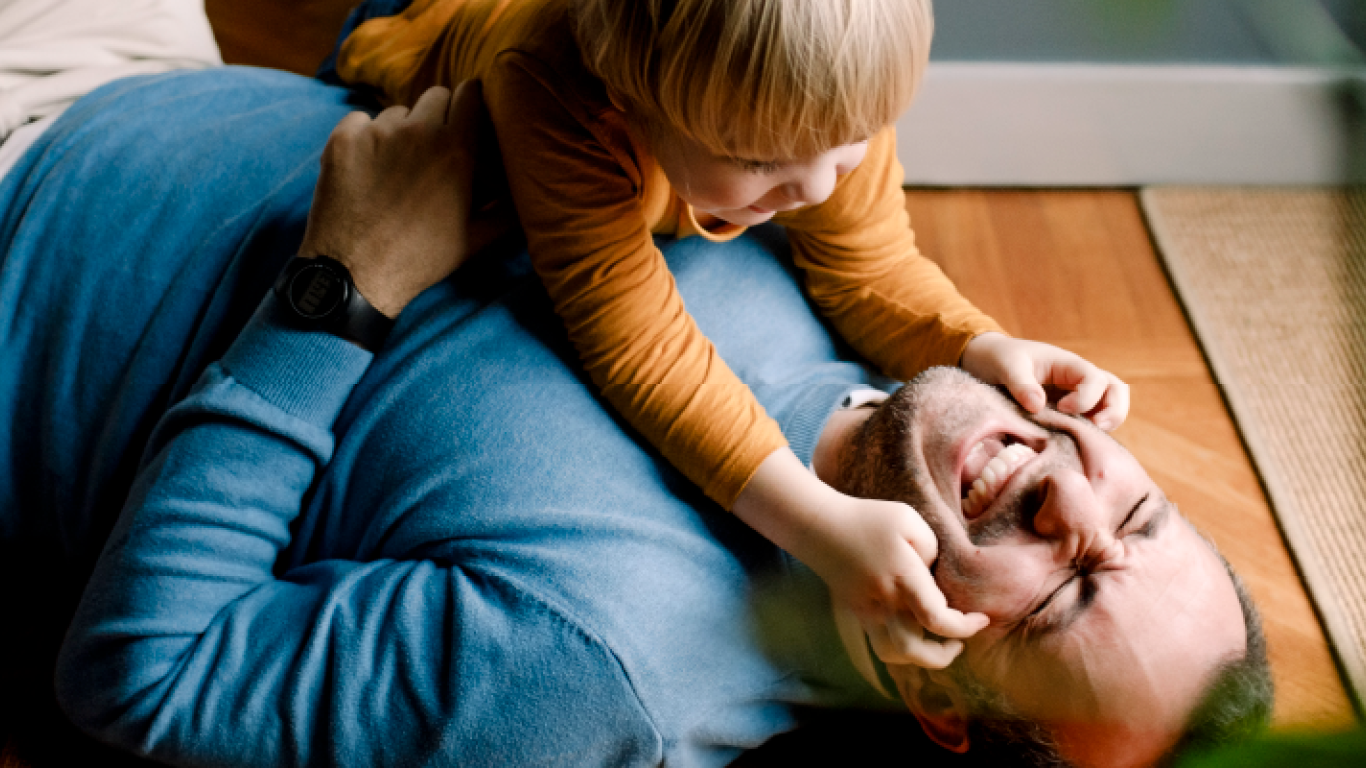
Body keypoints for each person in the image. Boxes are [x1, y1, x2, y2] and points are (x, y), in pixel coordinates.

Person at [0, 58, 1268, 767]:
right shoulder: (893, 361)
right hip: (141, 56)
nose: (1071, 502)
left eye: (1061, 593)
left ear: (942, 704)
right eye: (1137, 513)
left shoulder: (597, 669)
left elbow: (138, 681)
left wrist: (342, 287)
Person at [328, 0, 1132, 667]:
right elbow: (638, 346)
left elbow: (867, 268)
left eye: (848, 148)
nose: (815, 185)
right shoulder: (556, 94)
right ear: (626, 104)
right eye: (756, 159)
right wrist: (818, 526)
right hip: (434, 32)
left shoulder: (825, 100)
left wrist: (977, 346)